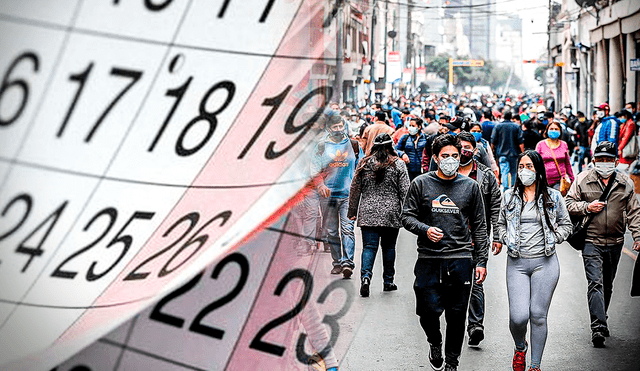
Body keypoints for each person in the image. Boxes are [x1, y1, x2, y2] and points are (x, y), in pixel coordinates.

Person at [402, 134, 489, 371]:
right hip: (429, 259)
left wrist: (481, 261)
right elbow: (406, 216)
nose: (451, 160)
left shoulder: (470, 187)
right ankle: (434, 341)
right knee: (426, 311)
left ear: (460, 157)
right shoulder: (421, 183)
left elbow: (480, 226)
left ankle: (452, 361)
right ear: (436, 159)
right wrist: (425, 229)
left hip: (460, 258)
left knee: (457, 315)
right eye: (445, 156)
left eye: (454, 155)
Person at [495, 150, 572, 371]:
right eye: (520, 167)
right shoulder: (509, 195)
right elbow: (500, 224)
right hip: (517, 263)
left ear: (538, 170)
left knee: (538, 315)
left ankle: (535, 366)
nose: (523, 171)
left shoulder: (553, 197)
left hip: (545, 263)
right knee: (518, 317)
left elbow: (566, 225)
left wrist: (556, 237)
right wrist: (504, 237)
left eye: (529, 166)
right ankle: (520, 347)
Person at [565, 141, 640, 347]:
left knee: (607, 284)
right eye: (600, 159)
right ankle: (597, 326)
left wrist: (638, 236)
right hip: (591, 240)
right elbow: (568, 203)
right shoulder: (582, 179)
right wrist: (587, 206)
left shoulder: (625, 183)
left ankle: (602, 314)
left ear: (615, 161)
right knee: (595, 283)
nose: (604, 163)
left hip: (616, 241)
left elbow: (634, 212)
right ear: (594, 160)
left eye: (608, 160)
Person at [348, 133, 410, 297]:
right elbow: (405, 191)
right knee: (389, 247)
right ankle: (388, 281)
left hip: (368, 211)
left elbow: (355, 189)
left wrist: (352, 211)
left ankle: (365, 278)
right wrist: (409, 213)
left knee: (369, 247)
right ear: (391, 146)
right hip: (391, 212)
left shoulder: (364, 163)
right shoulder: (398, 164)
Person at [456, 132, 502, 347]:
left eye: (467, 147)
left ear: (475, 150)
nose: (463, 151)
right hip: (450, 239)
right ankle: (454, 323)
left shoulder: (486, 175)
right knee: (453, 285)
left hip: (477, 237)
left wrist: (498, 236)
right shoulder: (444, 173)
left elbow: (495, 206)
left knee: (476, 282)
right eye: (459, 147)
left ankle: (475, 326)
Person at [313, 115, 363, 278]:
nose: (339, 129)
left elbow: (360, 166)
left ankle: (347, 263)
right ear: (328, 129)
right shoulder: (321, 146)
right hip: (327, 197)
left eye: (341, 126)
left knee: (347, 229)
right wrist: (320, 185)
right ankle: (337, 262)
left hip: (348, 195)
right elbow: (314, 169)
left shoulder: (353, 144)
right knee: (332, 231)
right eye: (335, 127)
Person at [535, 121, 575, 191]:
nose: (553, 131)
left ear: (560, 131)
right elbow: (535, 163)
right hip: (543, 181)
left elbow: (567, 163)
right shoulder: (540, 145)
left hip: (559, 181)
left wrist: (572, 179)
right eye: (551, 129)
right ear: (547, 131)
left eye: (556, 129)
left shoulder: (564, 144)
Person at [491, 111, 523, 190]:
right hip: (514, 154)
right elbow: (520, 141)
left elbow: (493, 140)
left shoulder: (498, 126)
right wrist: (523, 153)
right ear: (511, 117)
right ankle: (513, 188)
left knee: (504, 171)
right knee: (514, 172)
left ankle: (505, 189)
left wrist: (491, 152)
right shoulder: (516, 126)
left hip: (502, 154)